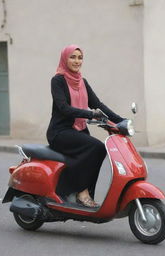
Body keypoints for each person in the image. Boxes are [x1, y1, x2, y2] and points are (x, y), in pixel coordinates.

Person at [46, 45, 125, 207]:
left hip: (78, 129)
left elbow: (97, 104)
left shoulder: (82, 81)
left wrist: (120, 120)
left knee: (100, 150)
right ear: (64, 59)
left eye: (80, 57)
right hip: (60, 131)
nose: (77, 61)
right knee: (95, 147)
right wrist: (90, 114)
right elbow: (64, 108)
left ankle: (83, 192)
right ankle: (80, 191)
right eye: (72, 57)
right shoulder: (58, 80)